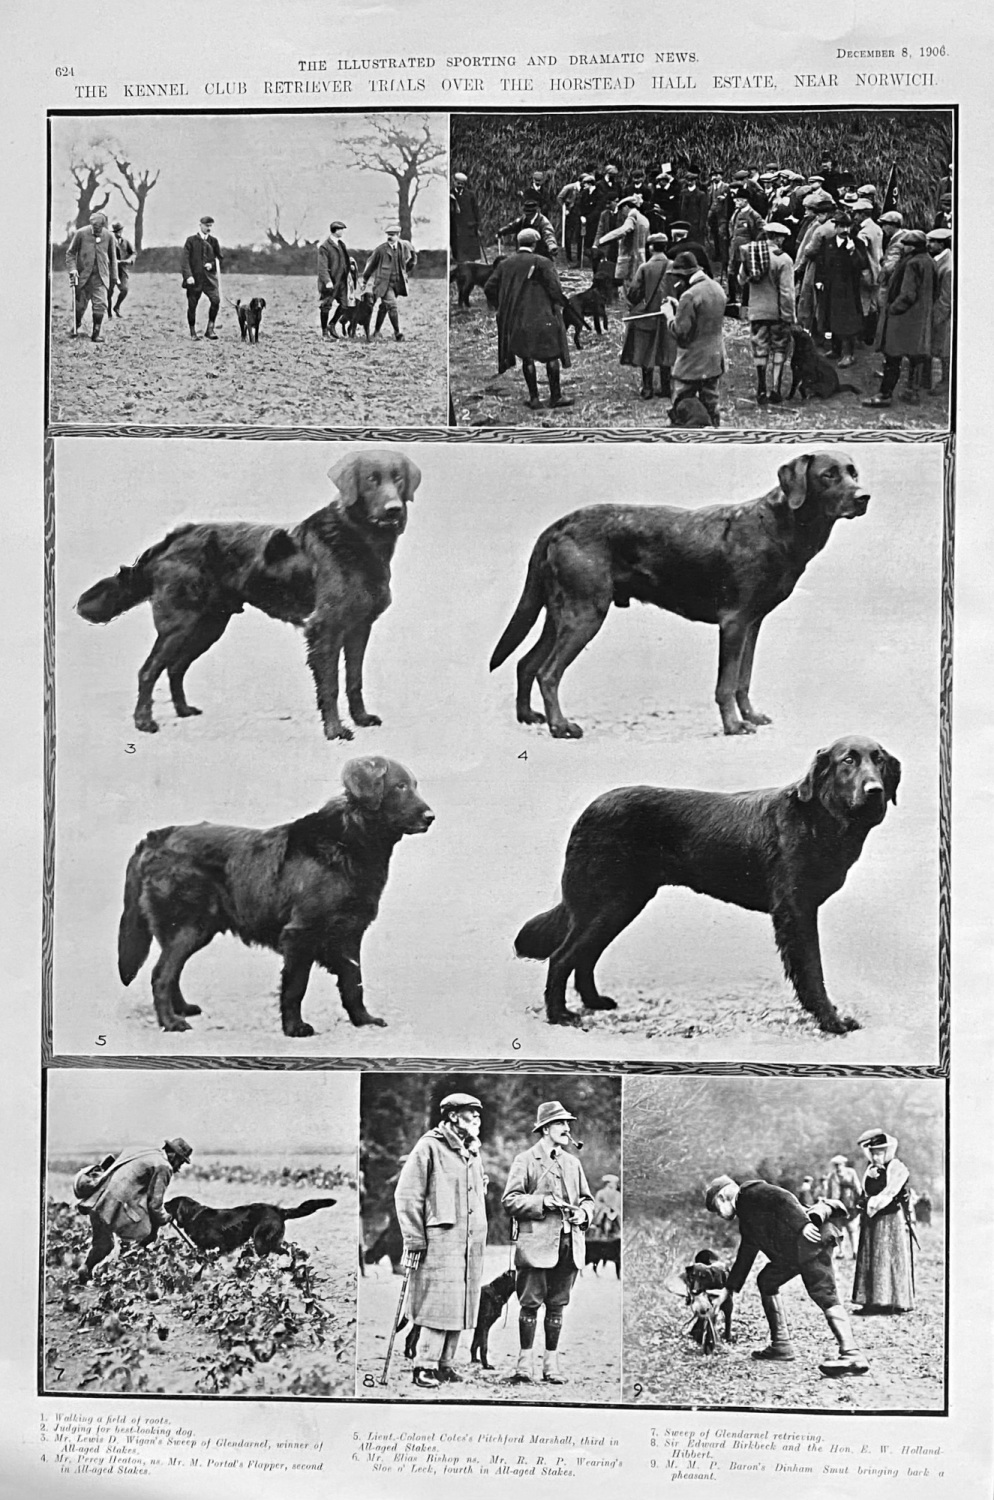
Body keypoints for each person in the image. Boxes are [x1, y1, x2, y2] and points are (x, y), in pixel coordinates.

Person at [705, 1174, 869, 1377]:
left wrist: (804, 1224)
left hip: (810, 1243)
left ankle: (852, 1354)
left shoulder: (752, 1192)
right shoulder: (746, 1217)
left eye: (716, 1209)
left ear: (722, 1198)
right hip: (792, 1253)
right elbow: (745, 1255)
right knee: (767, 1280)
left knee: (824, 1294)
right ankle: (781, 1345)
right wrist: (728, 1290)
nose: (719, 1215)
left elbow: (783, 1197)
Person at [394, 1092, 489, 1388]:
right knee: (437, 1303)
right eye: (470, 1112)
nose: (476, 1118)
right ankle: (424, 1365)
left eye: (478, 1113)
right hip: (439, 1241)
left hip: (469, 1242)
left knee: (460, 1303)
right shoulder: (429, 1146)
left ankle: (445, 1365)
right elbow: (406, 1195)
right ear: (451, 1116)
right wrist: (414, 1240)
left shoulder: (472, 1151)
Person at [502, 1099, 594, 1384]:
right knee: (530, 1305)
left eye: (568, 1124)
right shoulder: (526, 1160)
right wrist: (543, 1203)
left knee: (557, 1306)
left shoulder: (573, 1163)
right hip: (536, 1248)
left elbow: (588, 1201)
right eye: (560, 1123)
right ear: (545, 1129)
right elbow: (510, 1200)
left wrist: (583, 1213)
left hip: (569, 1247)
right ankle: (523, 1365)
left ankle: (551, 1366)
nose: (567, 1129)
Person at [76, 1137, 193, 1283]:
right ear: (174, 1155)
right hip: (116, 1209)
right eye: (180, 1162)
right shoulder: (164, 1166)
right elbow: (155, 1205)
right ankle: (133, 1271)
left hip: (98, 1201)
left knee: (103, 1243)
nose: (179, 1167)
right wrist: (165, 1218)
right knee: (148, 1233)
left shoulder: (140, 1150)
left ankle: (86, 1269)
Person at [485, 228, 575, 410]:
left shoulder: (506, 264)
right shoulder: (544, 262)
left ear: (519, 244)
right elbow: (555, 290)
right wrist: (563, 303)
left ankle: (534, 399)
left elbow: (489, 287)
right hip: (544, 317)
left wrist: (502, 305)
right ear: (534, 244)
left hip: (518, 319)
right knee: (552, 355)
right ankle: (555, 397)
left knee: (527, 357)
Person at [864, 230, 937, 407]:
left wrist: (892, 309)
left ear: (912, 247)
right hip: (920, 317)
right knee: (914, 357)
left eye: (905, 244)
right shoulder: (930, 261)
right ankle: (912, 392)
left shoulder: (912, 263)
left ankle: (884, 394)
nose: (903, 247)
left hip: (903, 318)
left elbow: (907, 294)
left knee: (892, 356)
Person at [852, 1129, 915, 1313]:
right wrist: (863, 1203)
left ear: (887, 1152)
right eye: (873, 1153)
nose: (875, 1156)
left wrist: (873, 1204)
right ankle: (871, 1300)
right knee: (871, 1255)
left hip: (889, 1217)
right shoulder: (871, 1169)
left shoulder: (897, 1168)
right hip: (872, 1219)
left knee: (888, 1255)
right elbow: (866, 1191)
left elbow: (890, 1192)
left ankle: (892, 1301)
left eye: (879, 1153)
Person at [670, 252, 728, 427]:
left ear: (684, 274)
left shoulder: (689, 296)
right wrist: (680, 308)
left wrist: (668, 315)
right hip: (714, 359)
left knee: (682, 403)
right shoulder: (717, 288)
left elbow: (681, 332)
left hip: (692, 363)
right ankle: (716, 436)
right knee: (711, 404)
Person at [619, 232, 677, 400]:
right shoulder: (673, 265)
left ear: (651, 248)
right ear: (665, 247)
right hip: (668, 314)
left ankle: (647, 389)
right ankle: (666, 388)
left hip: (648, 314)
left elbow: (634, 292)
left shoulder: (644, 267)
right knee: (665, 349)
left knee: (646, 351)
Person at [745, 222, 795, 405]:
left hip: (757, 311)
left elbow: (742, 278)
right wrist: (789, 315)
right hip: (777, 313)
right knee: (779, 348)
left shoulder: (751, 254)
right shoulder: (784, 260)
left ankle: (760, 388)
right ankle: (775, 388)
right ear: (779, 238)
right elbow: (787, 292)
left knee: (760, 347)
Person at [813, 209, 868, 366]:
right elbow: (821, 263)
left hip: (848, 289)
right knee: (831, 317)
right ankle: (835, 350)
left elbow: (862, 265)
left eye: (847, 227)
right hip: (830, 287)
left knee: (847, 321)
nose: (845, 230)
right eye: (841, 227)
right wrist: (819, 280)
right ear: (835, 227)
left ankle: (848, 354)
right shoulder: (828, 243)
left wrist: (852, 252)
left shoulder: (857, 244)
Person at [65, 210, 118, 343]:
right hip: (83, 276)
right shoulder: (81, 234)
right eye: (94, 227)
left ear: (104, 226)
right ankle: (76, 325)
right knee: (80, 305)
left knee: (100, 304)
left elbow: (113, 258)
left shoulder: (109, 236)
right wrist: (73, 270)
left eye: (99, 228)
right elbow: (70, 253)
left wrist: (114, 277)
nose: (96, 230)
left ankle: (96, 333)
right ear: (91, 224)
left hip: (100, 277)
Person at [362, 223, 416, 341]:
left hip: (397, 283)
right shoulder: (381, 250)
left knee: (384, 307)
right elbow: (371, 265)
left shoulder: (403, 247)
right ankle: (398, 333)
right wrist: (365, 280)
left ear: (398, 235)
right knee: (392, 305)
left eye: (393, 235)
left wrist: (405, 271)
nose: (390, 237)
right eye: (388, 235)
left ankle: (376, 331)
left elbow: (412, 259)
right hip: (384, 284)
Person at [596, 193, 649, 294]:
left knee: (628, 286)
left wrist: (603, 240)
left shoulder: (632, 217)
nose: (622, 213)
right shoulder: (644, 219)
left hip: (630, 257)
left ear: (626, 207)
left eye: (622, 209)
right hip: (641, 255)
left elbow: (624, 230)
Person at [181, 214, 223, 340]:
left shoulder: (214, 241)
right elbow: (185, 260)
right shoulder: (191, 241)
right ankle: (193, 332)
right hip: (194, 280)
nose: (209, 228)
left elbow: (220, 258)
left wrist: (212, 264)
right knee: (192, 305)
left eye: (210, 226)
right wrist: (188, 276)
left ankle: (210, 330)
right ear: (200, 225)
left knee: (216, 301)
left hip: (209, 280)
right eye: (206, 226)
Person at [926, 227, 952, 390]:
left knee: (945, 350)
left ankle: (946, 381)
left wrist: (936, 318)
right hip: (940, 312)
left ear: (941, 245)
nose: (929, 245)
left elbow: (946, 298)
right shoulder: (939, 260)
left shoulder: (948, 267)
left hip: (944, 315)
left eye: (933, 242)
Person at [823, 1153, 862, 1258]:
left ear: (844, 1164)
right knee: (839, 1230)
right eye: (836, 1165)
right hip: (837, 1206)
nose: (838, 1167)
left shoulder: (851, 1173)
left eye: (840, 1164)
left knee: (852, 1228)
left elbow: (857, 1187)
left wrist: (861, 1200)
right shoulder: (832, 1175)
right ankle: (841, 1251)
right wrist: (828, 1203)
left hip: (850, 1203)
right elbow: (829, 1192)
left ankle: (855, 1251)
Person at [317, 220, 350, 338]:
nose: (342, 232)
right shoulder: (324, 247)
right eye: (341, 229)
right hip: (331, 282)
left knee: (345, 305)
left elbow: (345, 260)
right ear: (335, 230)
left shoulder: (341, 244)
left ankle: (332, 324)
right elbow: (322, 267)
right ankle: (324, 331)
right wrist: (327, 281)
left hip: (342, 282)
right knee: (326, 306)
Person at [450, 172, 483, 264]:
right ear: (454, 182)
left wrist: (477, 226)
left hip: (469, 227)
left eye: (462, 184)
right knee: (459, 254)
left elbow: (476, 211)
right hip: (456, 229)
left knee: (472, 254)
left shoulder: (470, 195)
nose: (460, 185)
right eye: (458, 183)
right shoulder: (450, 195)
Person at [108, 220, 134, 319]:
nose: (118, 233)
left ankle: (117, 307)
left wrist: (129, 260)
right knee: (109, 292)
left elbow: (133, 253)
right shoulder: (109, 243)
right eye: (116, 231)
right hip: (110, 270)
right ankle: (109, 313)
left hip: (122, 270)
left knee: (125, 290)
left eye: (119, 230)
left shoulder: (126, 242)